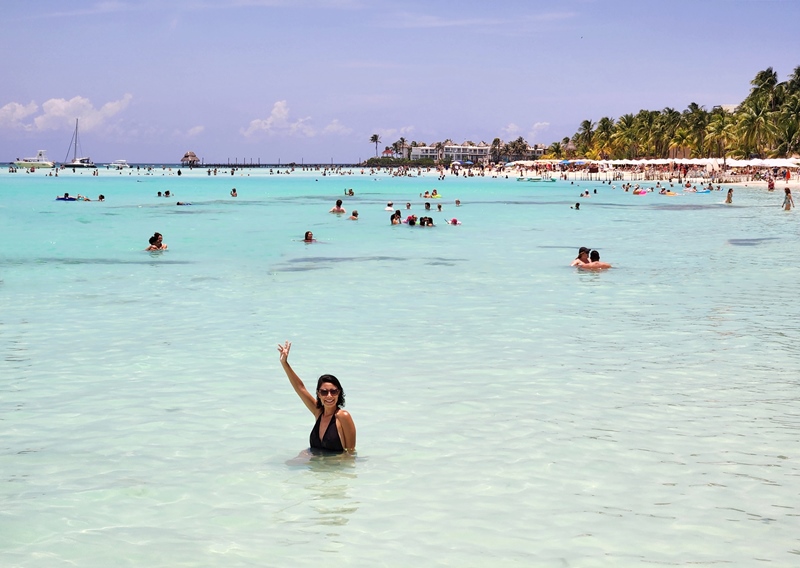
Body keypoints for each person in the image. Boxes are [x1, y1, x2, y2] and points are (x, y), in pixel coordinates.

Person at [277, 341, 356, 453]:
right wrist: (284, 363)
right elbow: (300, 388)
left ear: (339, 393)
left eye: (333, 391)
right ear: (319, 394)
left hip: (334, 468)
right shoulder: (318, 412)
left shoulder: (343, 416)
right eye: (324, 392)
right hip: (316, 468)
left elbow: (350, 453)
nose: (329, 396)